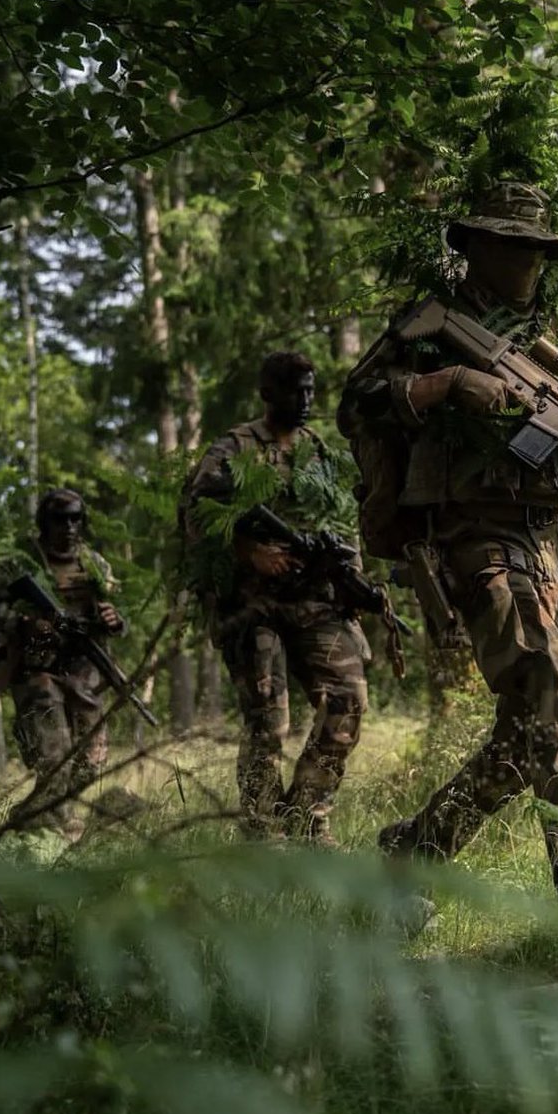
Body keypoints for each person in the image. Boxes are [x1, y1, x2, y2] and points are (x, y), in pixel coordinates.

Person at [338, 180, 558, 896]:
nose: (529, 262)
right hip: (472, 540)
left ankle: (417, 853)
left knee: (527, 735)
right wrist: (444, 385)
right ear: (475, 248)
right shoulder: (432, 329)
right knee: (557, 694)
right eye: (513, 245)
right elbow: (357, 404)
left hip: (542, 550)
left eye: (538, 250)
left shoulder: (542, 352)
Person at [181, 351, 371, 844]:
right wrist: (249, 550)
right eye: (295, 391)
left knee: (347, 700)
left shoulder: (318, 451)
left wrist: (350, 576)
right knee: (269, 721)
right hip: (253, 606)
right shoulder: (235, 449)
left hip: (313, 601)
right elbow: (196, 516)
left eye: (311, 390)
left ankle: (307, 815)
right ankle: (264, 833)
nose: (306, 400)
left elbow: (340, 520)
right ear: (268, 393)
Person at [0, 489, 126, 837]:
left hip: (83, 675)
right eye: (60, 518)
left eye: (75, 518)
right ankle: (51, 846)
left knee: (90, 764)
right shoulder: (20, 563)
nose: (69, 526)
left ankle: (28, 819)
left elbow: (114, 612)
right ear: (44, 522)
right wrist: (20, 621)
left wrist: (115, 619)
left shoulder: (94, 564)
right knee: (54, 761)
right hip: (36, 674)